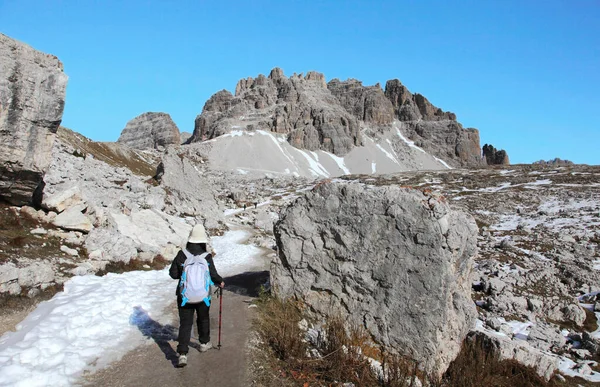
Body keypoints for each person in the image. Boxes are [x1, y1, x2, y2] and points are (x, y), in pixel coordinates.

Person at [169, 224, 224, 368]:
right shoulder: (206, 256)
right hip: (203, 296)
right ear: (203, 241)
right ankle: (204, 343)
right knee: (203, 319)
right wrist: (220, 281)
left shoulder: (182, 254)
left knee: (185, 324)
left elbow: (173, 274)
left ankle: (182, 354)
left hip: (184, 296)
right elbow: (213, 274)